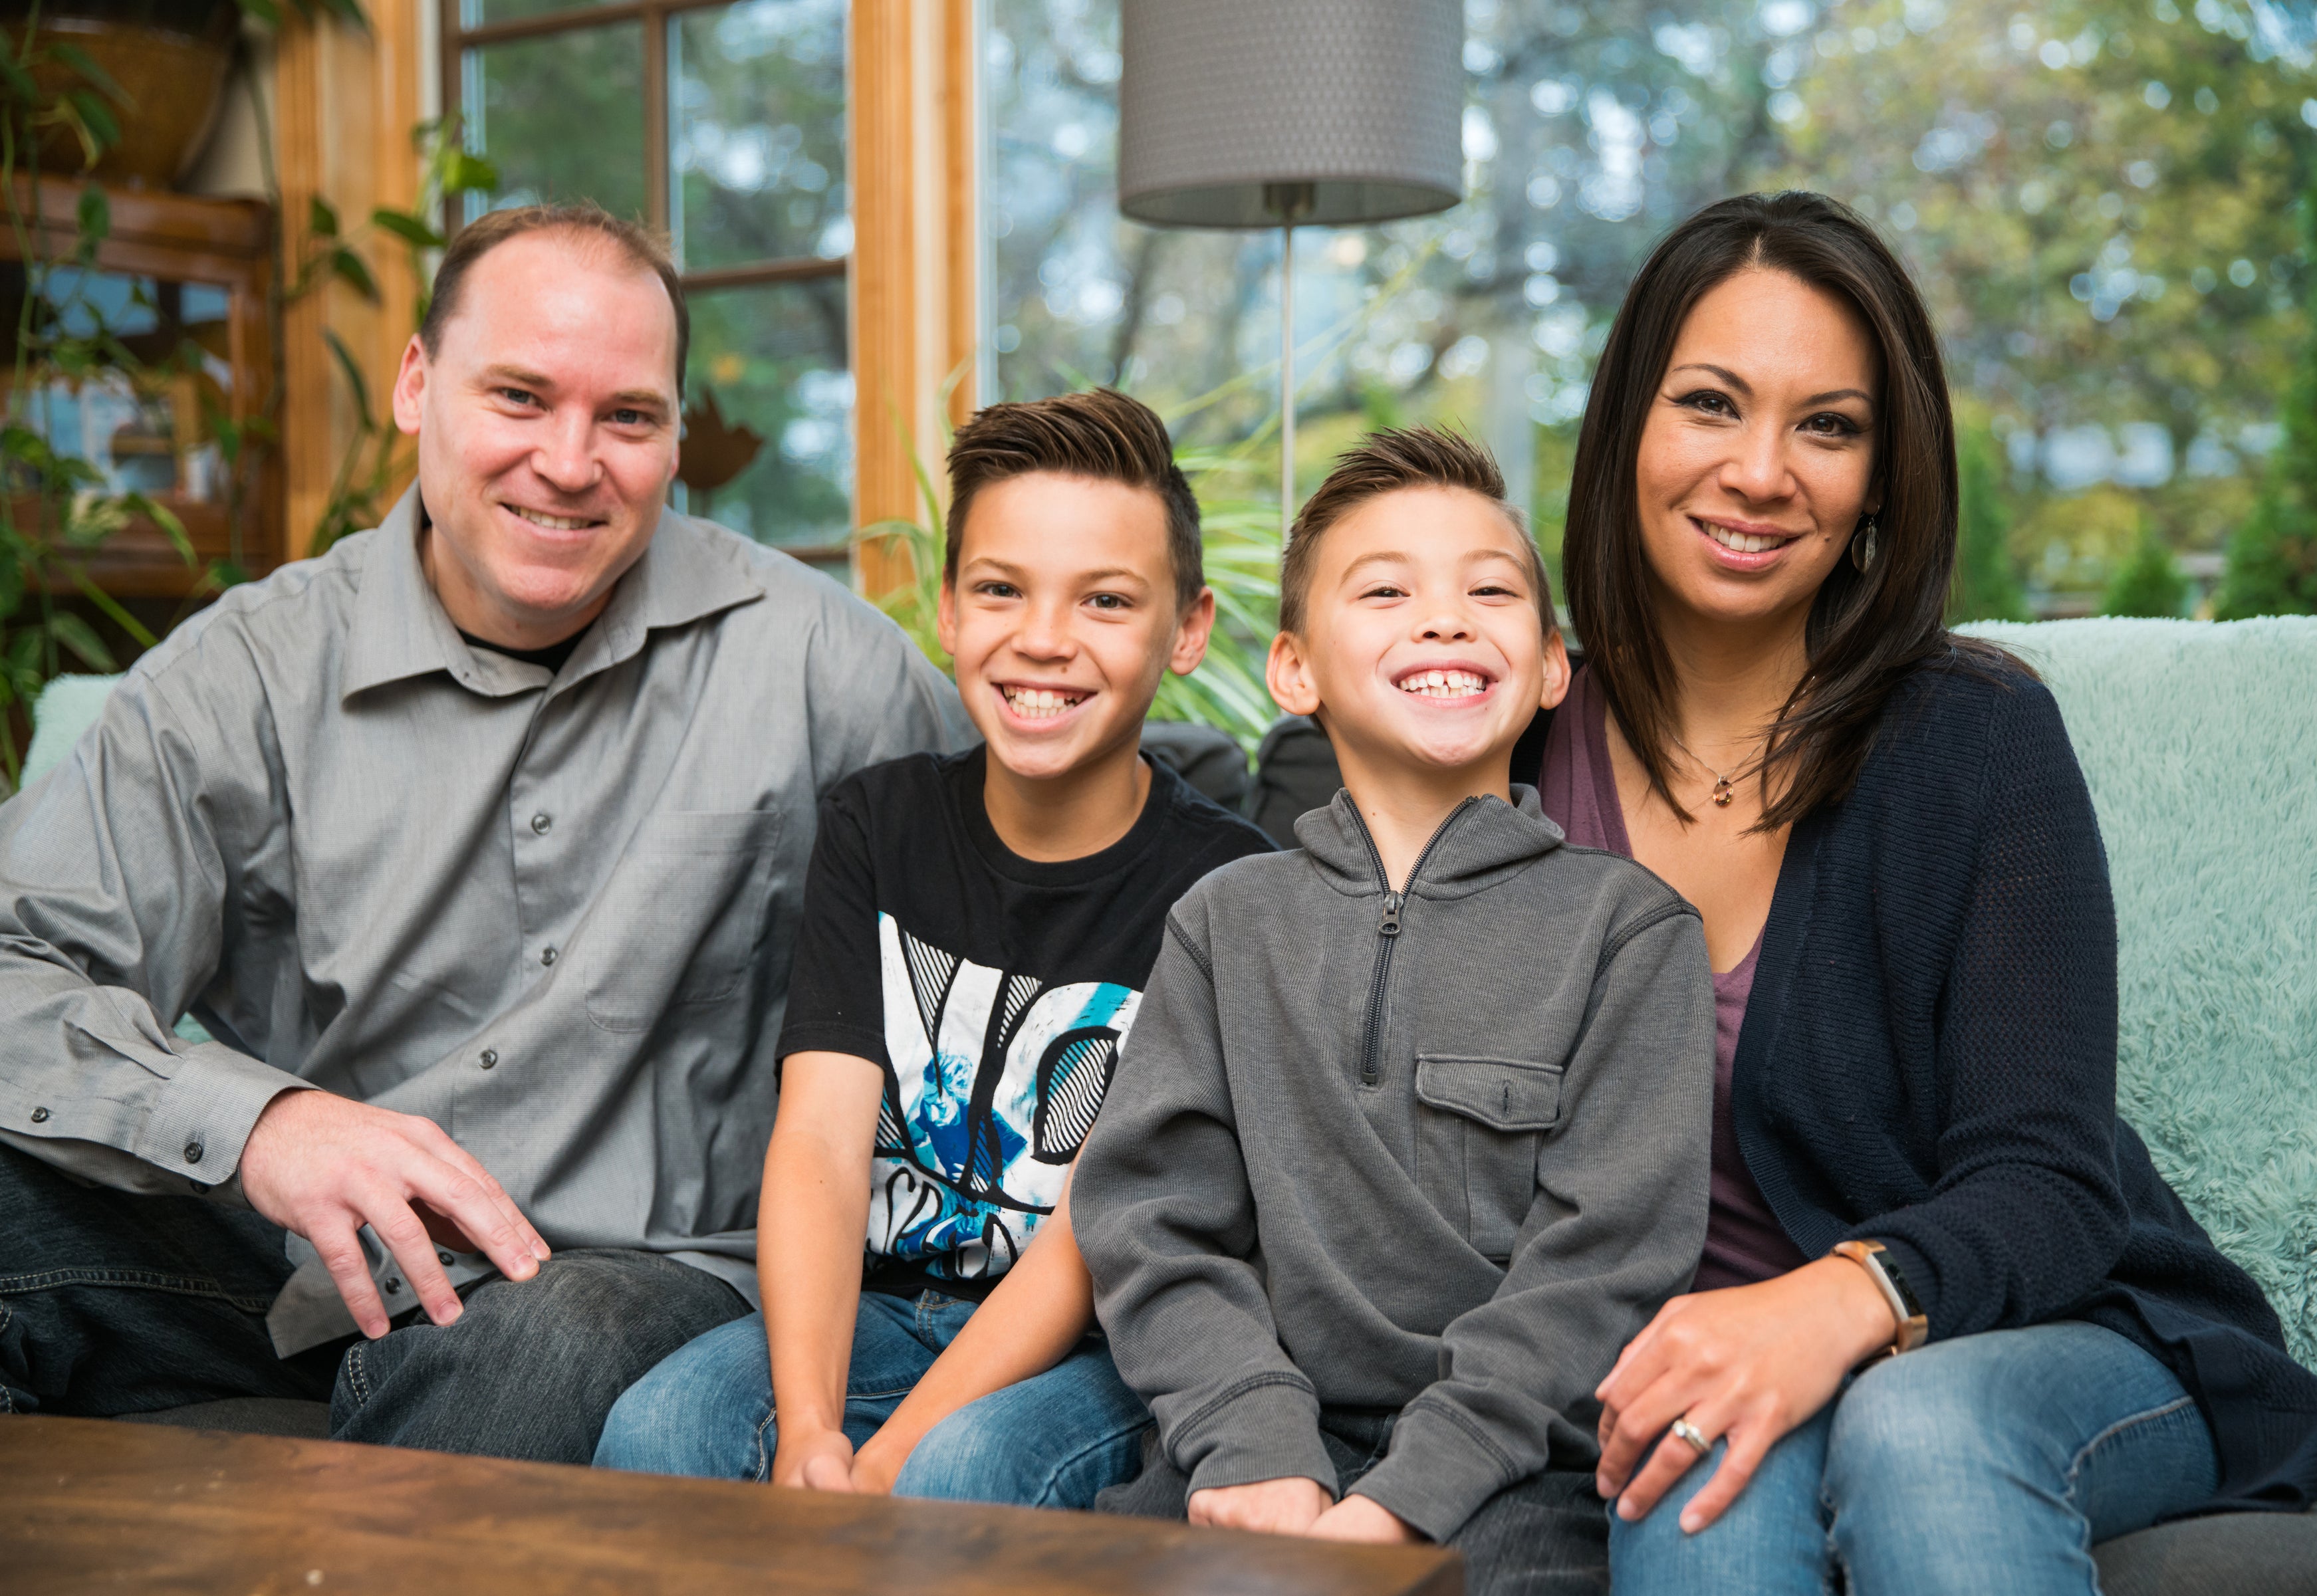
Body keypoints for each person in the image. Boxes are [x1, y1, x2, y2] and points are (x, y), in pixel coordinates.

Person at [0, 202, 966, 1462]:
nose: (570, 462)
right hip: (313, 1262)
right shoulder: (252, 667)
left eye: (628, 416)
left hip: (646, 1273)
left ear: (677, 439)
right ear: (416, 384)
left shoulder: (824, 667)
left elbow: (1036, 909)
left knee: (541, 1340)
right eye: (519, 396)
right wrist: (266, 1126)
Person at [1532, 191, 2317, 1593]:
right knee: (1692, 1469)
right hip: (1692, 1377)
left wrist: (1840, 1301)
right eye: (1710, 403)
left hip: (2048, 1329)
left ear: (1883, 475)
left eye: (1829, 424)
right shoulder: (1511, 743)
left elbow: (2051, 1182)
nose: (1761, 470)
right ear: (1627, 422)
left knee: (1917, 1421)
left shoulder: (1977, 737)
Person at [594, 390, 1275, 1506]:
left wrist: (894, 1451)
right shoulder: (878, 825)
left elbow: (1085, 1237)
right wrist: (812, 1425)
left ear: (1188, 629)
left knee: (958, 1474)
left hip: (1100, 1342)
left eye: (1106, 599)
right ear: (949, 610)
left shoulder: (1228, 890)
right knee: (663, 1423)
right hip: (881, 1306)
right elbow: (820, 1141)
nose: (1044, 638)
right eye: (1001, 588)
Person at [1072, 427, 1717, 1593]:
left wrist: (1407, 1498)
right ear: (1294, 669)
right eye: (1385, 590)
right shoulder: (1224, 923)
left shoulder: (1630, 932)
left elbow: (1604, 1267)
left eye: (1490, 590)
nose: (1445, 618)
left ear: (1552, 665)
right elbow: (1154, 1221)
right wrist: (1253, 1437)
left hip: (1514, 1470)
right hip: (1258, 1438)